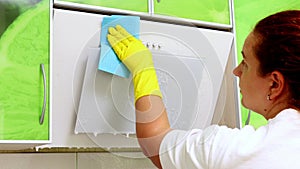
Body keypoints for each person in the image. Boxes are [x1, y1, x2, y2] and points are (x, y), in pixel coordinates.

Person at [107, 10, 300, 169]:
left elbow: (155, 142)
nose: (236, 70)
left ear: (275, 84)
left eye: (246, 63)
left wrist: (143, 70)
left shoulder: (239, 150)